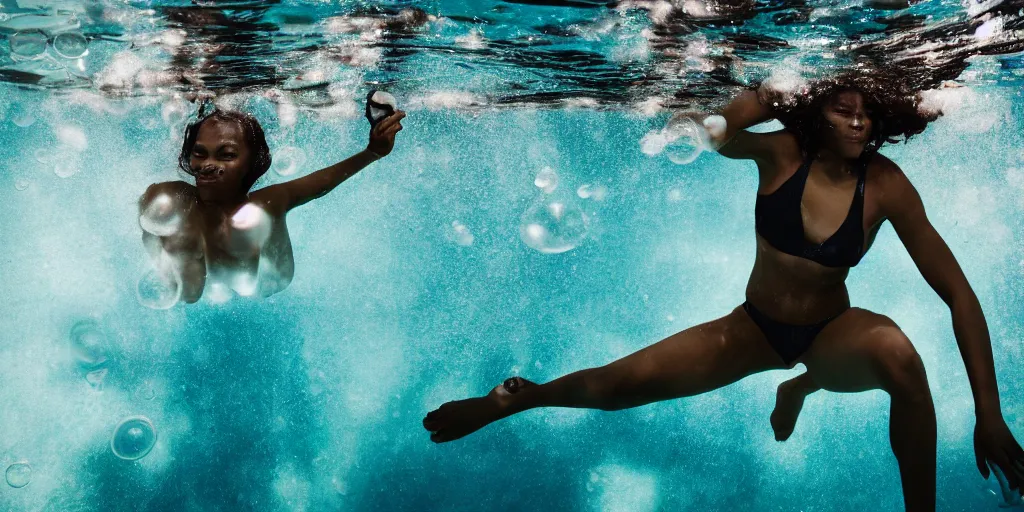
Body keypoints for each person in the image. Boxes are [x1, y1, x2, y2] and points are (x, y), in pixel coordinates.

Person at [422, 73, 1024, 511]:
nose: (858, 121)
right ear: (818, 111)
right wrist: (769, 93)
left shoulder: (887, 184)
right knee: (615, 388)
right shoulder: (784, 153)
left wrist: (989, 415)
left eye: (867, 111)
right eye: (843, 109)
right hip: (754, 329)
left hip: (832, 333)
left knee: (902, 362)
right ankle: (516, 400)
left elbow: (959, 296)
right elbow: (714, 134)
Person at [138, 102, 405, 303]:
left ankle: (190, 268)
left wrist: (372, 152)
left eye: (226, 155)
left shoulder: (268, 202)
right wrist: (161, 248)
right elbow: (152, 216)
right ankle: (180, 268)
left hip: (266, 280)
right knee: (168, 199)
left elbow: (320, 184)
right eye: (199, 153)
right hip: (212, 266)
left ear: (249, 164)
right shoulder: (179, 199)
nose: (208, 165)